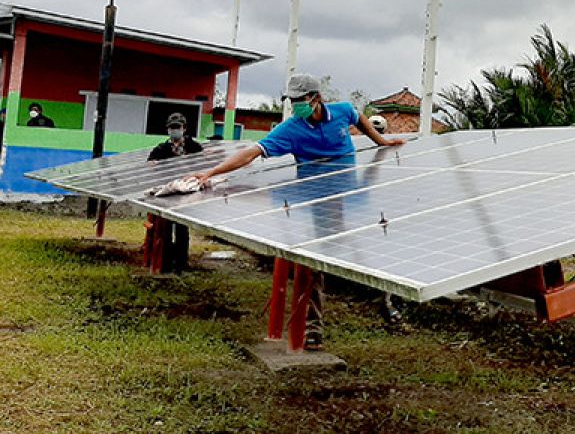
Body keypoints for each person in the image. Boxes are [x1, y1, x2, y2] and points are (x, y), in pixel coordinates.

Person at [191, 73, 404, 350]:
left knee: (368, 246)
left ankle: (386, 299)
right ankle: (313, 328)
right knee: (313, 265)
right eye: (291, 100)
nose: (294, 105)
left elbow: (358, 117)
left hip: (348, 195)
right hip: (315, 202)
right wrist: (212, 172)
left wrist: (381, 142)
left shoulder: (340, 112)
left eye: (299, 100)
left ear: (316, 98)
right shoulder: (291, 129)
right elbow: (252, 152)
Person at [146, 112, 203, 272]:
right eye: (172, 127)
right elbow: (150, 165)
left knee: (182, 229)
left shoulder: (194, 147)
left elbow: (203, 165)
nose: (174, 130)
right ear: (168, 130)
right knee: (164, 229)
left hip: (187, 195)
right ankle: (165, 263)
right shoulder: (161, 149)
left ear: (184, 128)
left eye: (177, 127)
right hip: (167, 195)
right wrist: (153, 165)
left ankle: (181, 264)